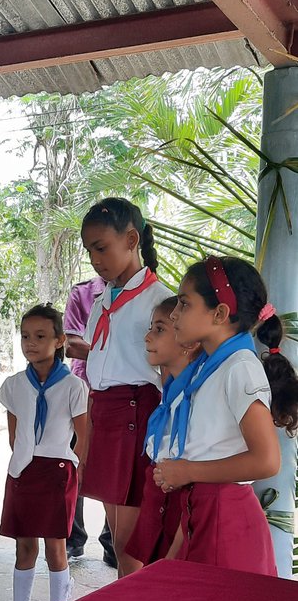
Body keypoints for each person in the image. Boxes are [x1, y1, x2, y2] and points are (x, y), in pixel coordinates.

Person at [153, 256, 298, 574]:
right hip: (203, 512)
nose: (175, 314)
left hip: (227, 524)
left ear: (219, 314)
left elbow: (266, 461)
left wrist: (187, 470)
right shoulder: (208, 365)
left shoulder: (240, 367)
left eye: (184, 304)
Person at [80, 198, 172, 575]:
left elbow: (170, 374)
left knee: (133, 547)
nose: (95, 259)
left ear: (131, 239)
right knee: (119, 540)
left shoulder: (160, 300)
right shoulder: (103, 298)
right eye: (89, 251)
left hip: (137, 417)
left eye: (101, 248)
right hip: (106, 416)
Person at [0, 304, 88, 601]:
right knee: (24, 547)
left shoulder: (74, 387)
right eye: (25, 336)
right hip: (23, 472)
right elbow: (13, 432)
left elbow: (84, 435)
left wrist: (73, 469)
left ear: (60, 340)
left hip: (57, 473)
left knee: (55, 547)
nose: (30, 343)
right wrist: (24, 459)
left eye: (40, 336)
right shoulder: (14, 385)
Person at [124, 298, 201, 571]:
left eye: (159, 329)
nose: (147, 337)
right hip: (159, 508)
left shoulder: (199, 398)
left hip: (182, 521)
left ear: (189, 342)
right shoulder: (169, 394)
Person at [63, 276, 116, 567]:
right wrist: (115, 350)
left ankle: (112, 542)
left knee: (115, 467)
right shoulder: (82, 293)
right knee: (73, 463)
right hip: (81, 391)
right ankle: (73, 539)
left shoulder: (144, 291)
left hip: (119, 394)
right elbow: (71, 344)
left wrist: (94, 347)